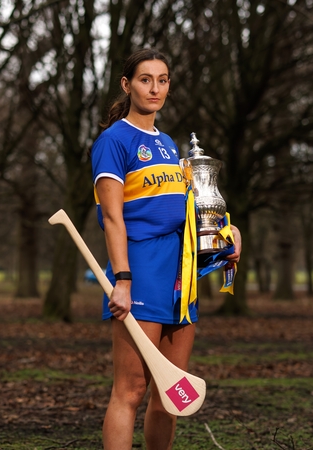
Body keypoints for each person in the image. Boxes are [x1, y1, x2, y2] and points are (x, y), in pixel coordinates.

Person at [90, 48, 242, 450]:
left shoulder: (168, 145)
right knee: (131, 389)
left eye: (162, 80)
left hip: (181, 273)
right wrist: (121, 279)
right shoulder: (113, 141)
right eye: (145, 79)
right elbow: (111, 218)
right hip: (140, 270)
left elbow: (188, 211)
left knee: (172, 394)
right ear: (127, 85)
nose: (154, 88)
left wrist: (226, 232)